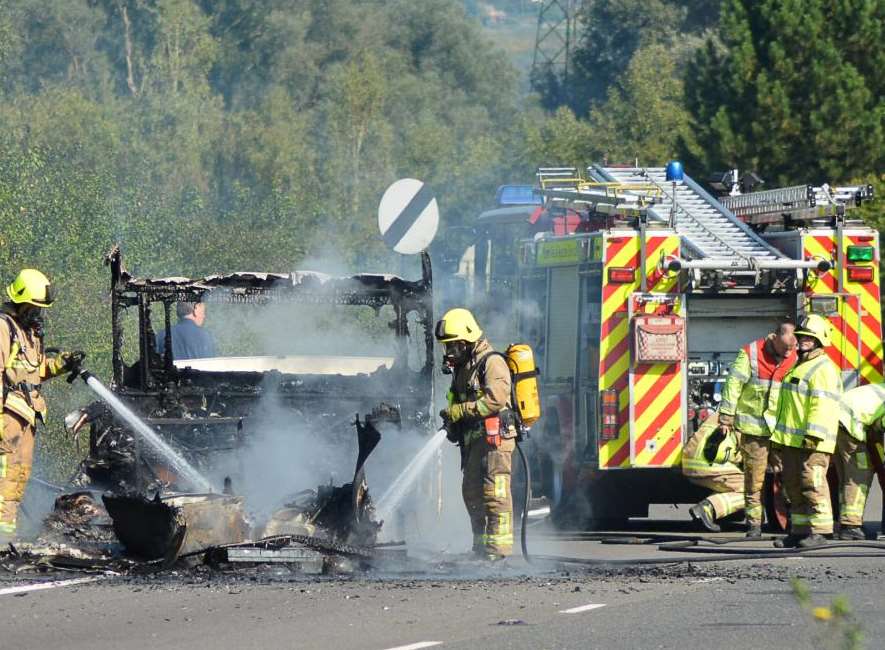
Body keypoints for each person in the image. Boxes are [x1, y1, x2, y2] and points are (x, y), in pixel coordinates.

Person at [0, 269, 81, 540]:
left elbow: (36, 371)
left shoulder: (29, 333)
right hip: (7, 413)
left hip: (28, 413)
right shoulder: (3, 327)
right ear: (21, 301)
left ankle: (6, 534)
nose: (38, 313)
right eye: (34, 307)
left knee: (19, 475)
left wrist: (61, 364)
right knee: (5, 474)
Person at [435, 308, 516, 561]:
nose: (449, 352)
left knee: (495, 495)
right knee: (471, 493)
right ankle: (480, 549)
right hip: (473, 442)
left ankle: (497, 552)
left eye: (453, 345)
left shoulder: (492, 362)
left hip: (495, 442)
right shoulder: (462, 367)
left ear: (467, 340)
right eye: (446, 346)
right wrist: (452, 422)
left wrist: (461, 411)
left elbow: (494, 401)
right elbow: (456, 400)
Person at [718, 321, 797, 537]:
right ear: (774, 338)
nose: (788, 353)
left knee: (789, 477)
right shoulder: (750, 353)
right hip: (754, 431)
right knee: (754, 480)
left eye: (792, 348)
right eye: (784, 348)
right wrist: (726, 417)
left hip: (781, 431)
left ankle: (793, 522)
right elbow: (733, 385)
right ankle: (754, 525)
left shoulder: (796, 355)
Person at [770, 314, 841, 548]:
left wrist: (813, 434)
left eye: (809, 338)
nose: (802, 342)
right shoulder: (800, 366)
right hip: (792, 441)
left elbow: (822, 404)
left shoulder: (823, 368)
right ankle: (799, 531)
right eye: (801, 337)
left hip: (813, 441)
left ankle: (821, 532)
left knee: (813, 483)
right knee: (793, 486)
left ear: (820, 341)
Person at [834, 384, 885, 540]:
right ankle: (851, 526)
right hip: (850, 428)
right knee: (859, 477)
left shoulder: (880, 390)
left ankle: (845, 523)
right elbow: (880, 428)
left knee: (846, 477)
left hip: (837, 424)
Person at [684, 413, 745, 532]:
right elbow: (747, 451)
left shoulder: (726, 412)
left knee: (734, 484)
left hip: (694, 462)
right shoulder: (746, 417)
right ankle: (707, 508)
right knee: (753, 490)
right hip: (709, 465)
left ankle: (721, 513)